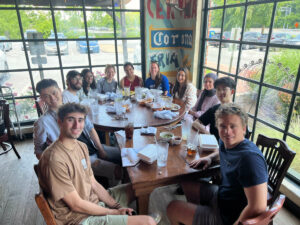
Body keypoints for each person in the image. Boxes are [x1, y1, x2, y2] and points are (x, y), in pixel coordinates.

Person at [36, 103, 156, 225]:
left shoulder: (81, 146)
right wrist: (113, 213)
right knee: (149, 222)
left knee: (140, 188)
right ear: (60, 122)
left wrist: (116, 206)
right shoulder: (54, 159)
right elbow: (75, 205)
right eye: (70, 120)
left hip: (93, 202)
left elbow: (92, 182)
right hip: (78, 218)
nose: (77, 125)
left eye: (80, 120)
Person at [167, 103, 268, 225]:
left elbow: (259, 207)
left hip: (230, 217)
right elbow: (221, 151)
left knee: (172, 208)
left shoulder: (250, 159)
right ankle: (198, 217)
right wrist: (209, 158)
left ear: (244, 129)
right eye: (222, 126)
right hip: (222, 196)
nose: (227, 131)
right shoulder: (226, 142)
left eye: (233, 126)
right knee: (186, 182)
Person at [34, 79, 121, 186]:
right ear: (42, 99)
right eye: (46, 96)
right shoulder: (43, 122)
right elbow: (39, 152)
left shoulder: (74, 108)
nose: (52, 98)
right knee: (117, 171)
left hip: (93, 148)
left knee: (124, 155)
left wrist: (101, 149)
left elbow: (90, 128)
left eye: (54, 92)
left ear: (60, 90)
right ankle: (110, 196)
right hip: (79, 160)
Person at [192, 76, 235, 142]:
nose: (220, 92)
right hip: (213, 145)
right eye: (218, 89)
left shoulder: (237, 113)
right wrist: (208, 134)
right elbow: (195, 123)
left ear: (232, 92)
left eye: (224, 89)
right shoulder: (215, 109)